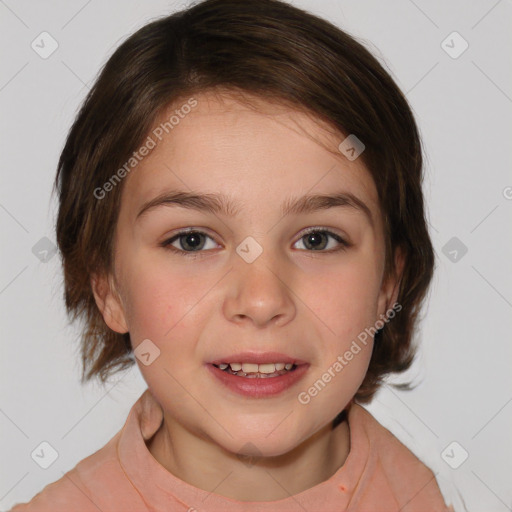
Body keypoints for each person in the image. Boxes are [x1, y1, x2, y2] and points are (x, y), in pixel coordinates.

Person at [9, 0, 455, 510]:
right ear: (107, 283)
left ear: (388, 285)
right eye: (192, 240)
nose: (262, 301)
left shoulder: (419, 494)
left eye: (317, 239)